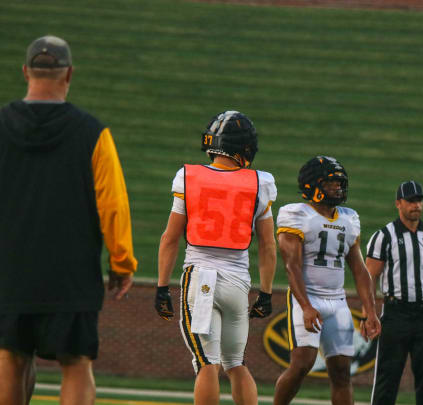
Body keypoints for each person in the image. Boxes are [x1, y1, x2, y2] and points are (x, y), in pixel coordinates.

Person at [0, 35, 137, 405]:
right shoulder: (93, 133)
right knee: (75, 362)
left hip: (10, 270)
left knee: (11, 358)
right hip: (71, 273)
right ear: (69, 74)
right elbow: (114, 205)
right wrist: (122, 262)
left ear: (25, 71)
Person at [154, 111, 277, 405]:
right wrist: (266, 292)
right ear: (243, 147)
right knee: (235, 363)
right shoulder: (260, 182)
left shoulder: (189, 177)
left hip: (202, 278)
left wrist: (161, 287)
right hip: (238, 281)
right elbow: (267, 245)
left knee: (206, 363)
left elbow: (170, 238)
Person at [273, 156, 381, 405]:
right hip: (307, 298)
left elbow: (359, 268)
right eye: (331, 183)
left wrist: (370, 310)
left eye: (340, 183)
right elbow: (292, 266)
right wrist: (307, 306)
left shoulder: (348, 218)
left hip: (338, 302)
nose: (338, 188)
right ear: (313, 185)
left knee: (343, 372)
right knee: (302, 364)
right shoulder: (297, 215)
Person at [365, 180, 423, 405]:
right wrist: (369, 312)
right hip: (396, 313)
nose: (417, 205)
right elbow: (369, 277)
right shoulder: (384, 236)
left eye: (419, 200)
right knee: (387, 378)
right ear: (398, 204)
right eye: (411, 201)